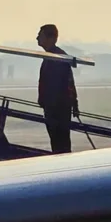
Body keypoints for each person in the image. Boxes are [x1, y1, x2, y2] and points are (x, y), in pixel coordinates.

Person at [36, 24, 78, 154]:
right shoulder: (51, 56)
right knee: (57, 141)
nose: (37, 38)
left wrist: (73, 102)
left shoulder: (58, 57)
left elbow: (68, 82)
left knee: (60, 142)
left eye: (40, 35)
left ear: (51, 38)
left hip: (58, 108)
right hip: (53, 107)